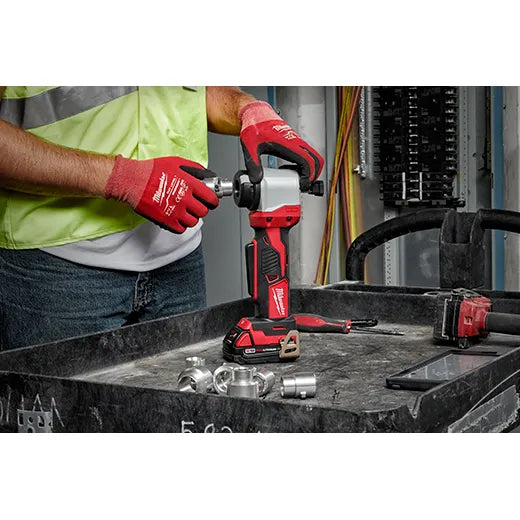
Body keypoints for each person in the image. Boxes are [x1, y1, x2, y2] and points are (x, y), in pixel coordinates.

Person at [0, 86, 324, 350]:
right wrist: (123, 179)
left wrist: (247, 109)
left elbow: (196, 90)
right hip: (57, 274)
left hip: (179, 266)